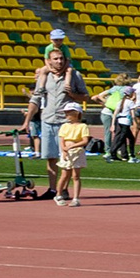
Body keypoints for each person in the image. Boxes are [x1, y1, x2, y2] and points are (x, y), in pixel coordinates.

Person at [25, 48, 84, 191]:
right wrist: (26, 121)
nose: (59, 61)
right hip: (48, 120)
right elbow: (36, 99)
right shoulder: (44, 76)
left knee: (66, 156)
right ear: (49, 61)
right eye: (56, 59)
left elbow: (85, 96)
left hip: (65, 122)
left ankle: (63, 189)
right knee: (50, 157)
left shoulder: (74, 75)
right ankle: (52, 189)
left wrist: (73, 95)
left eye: (61, 58)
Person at [55, 101, 91, 206]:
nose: (66, 115)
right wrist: (64, 150)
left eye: (68, 112)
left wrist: (73, 146)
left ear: (76, 113)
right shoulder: (64, 126)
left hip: (77, 153)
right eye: (65, 112)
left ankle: (76, 198)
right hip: (67, 153)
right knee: (64, 175)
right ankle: (58, 194)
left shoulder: (83, 126)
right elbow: (62, 140)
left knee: (76, 176)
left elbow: (85, 141)